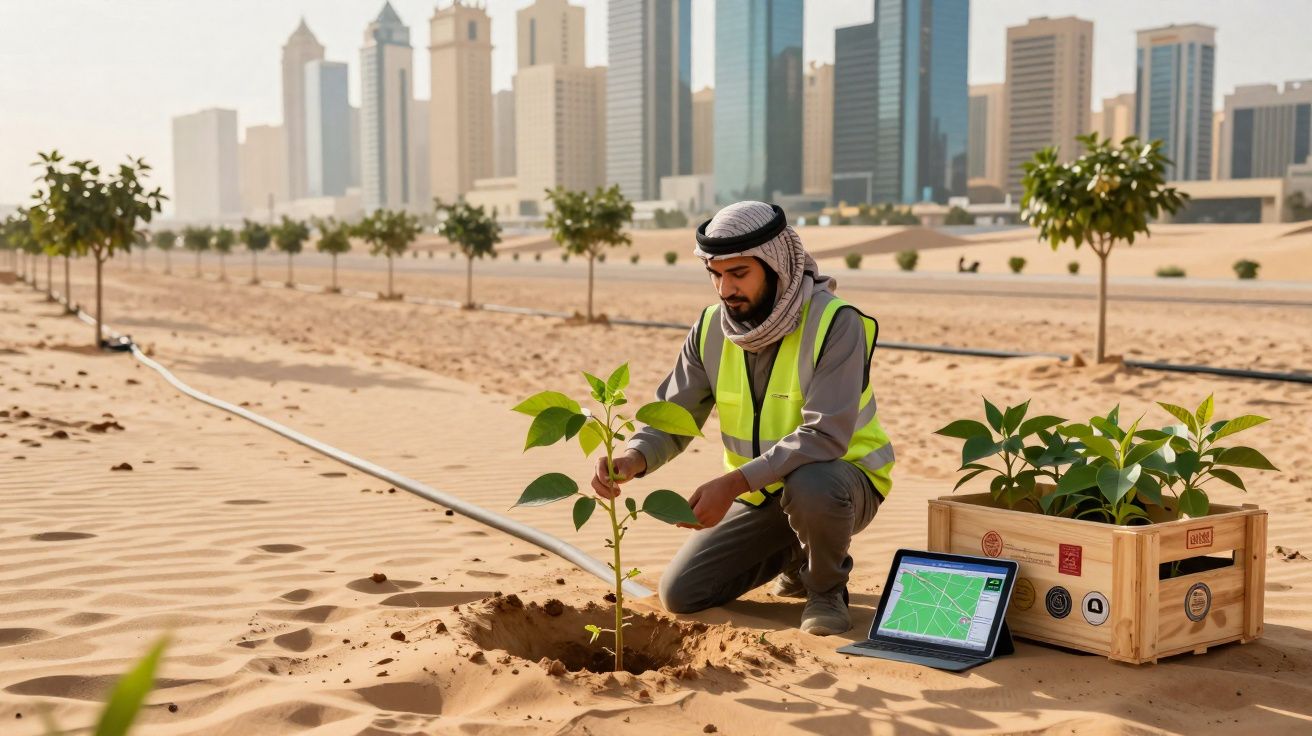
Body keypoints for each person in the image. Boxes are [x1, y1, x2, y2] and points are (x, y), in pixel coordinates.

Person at [593, 201, 895, 636]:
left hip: (844, 484)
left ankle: (826, 589)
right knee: (682, 594)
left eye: (738, 274)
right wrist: (634, 458)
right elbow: (674, 416)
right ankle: (795, 554)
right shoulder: (711, 328)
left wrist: (732, 484)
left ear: (776, 267)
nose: (724, 289)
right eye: (716, 275)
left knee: (813, 484)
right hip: (761, 494)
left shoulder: (836, 323)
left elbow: (825, 435)